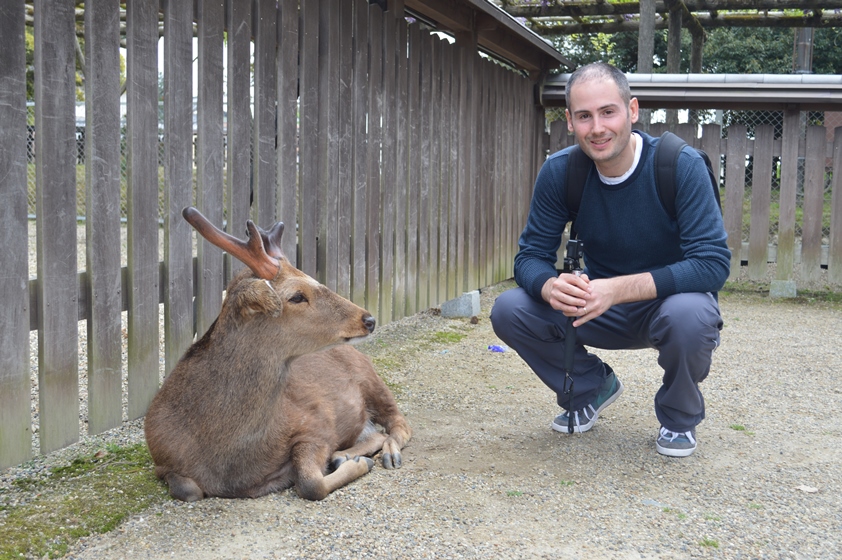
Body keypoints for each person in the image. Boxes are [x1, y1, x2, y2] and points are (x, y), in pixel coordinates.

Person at [490, 62, 730, 457]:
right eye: (584, 116)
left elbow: (712, 264)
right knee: (510, 308)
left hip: (666, 304)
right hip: (595, 307)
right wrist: (551, 286)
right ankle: (590, 386)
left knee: (691, 315)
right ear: (569, 121)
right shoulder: (561, 172)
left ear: (632, 111)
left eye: (608, 112)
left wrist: (616, 289)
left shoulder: (679, 165)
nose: (597, 128)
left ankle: (678, 417)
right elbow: (530, 257)